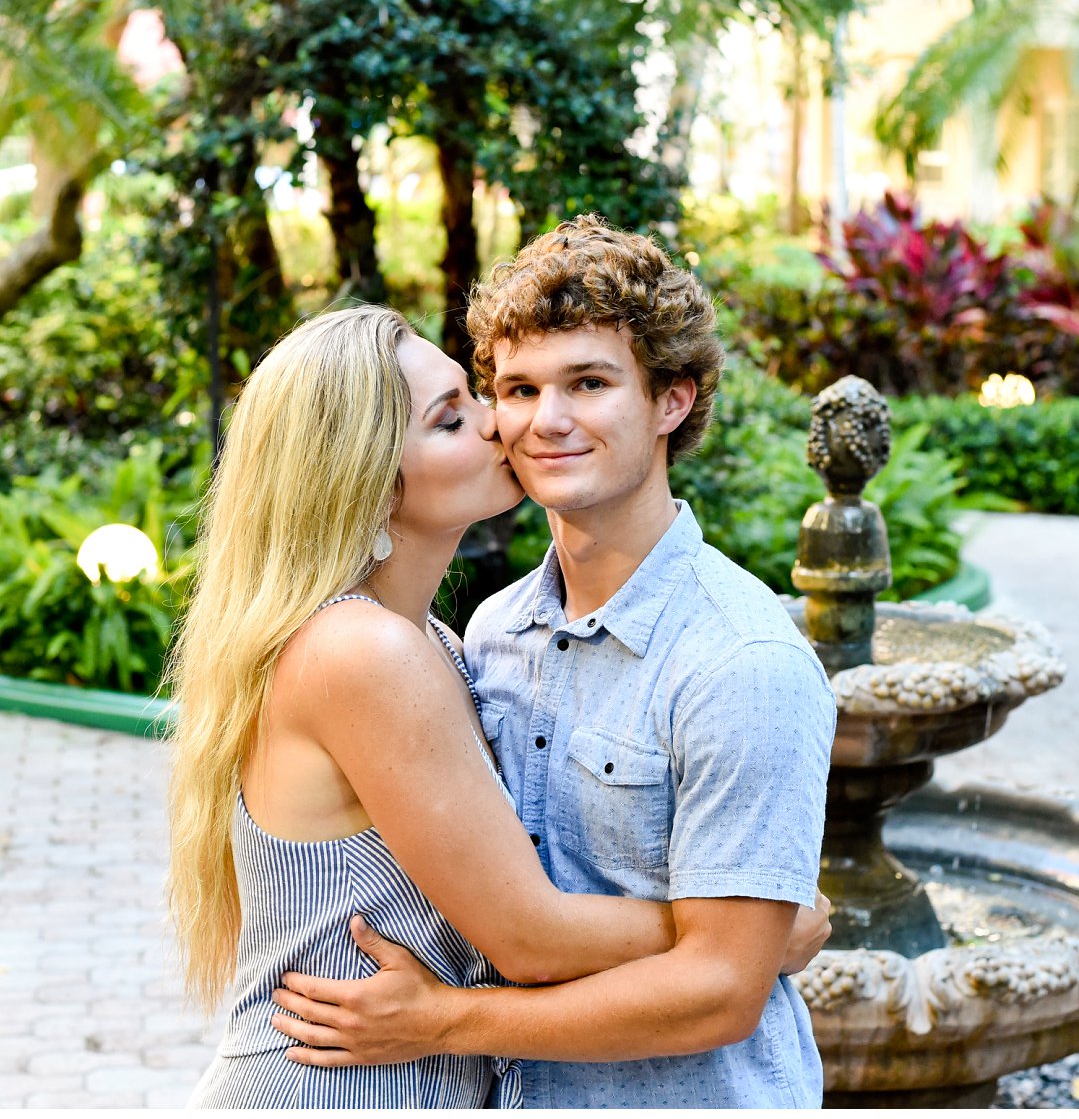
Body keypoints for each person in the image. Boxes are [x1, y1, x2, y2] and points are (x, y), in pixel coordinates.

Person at [170, 302, 830, 1108]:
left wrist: (734, 945)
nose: (502, 428)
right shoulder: (363, 652)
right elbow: (528, 934)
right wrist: (750, 935)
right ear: (368, 481)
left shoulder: (447, 643)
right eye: (458, 417)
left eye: (476, 399)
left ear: (672, 400)